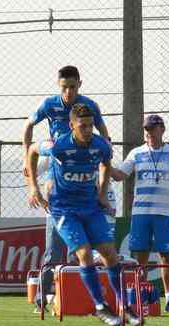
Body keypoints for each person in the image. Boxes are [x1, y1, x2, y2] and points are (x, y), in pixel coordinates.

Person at [26, 103, 139, 326]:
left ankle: (124, 306)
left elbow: (106, 164)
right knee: (85, 253)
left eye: (90, 125)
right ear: (72, 125)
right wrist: (33, 188)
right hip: (64, 209)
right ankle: (100, 306)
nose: (88, 130)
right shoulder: (58, 145)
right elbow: (31, 151)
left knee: (110, 254)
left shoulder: (100, 145)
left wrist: (103, 192)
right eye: (83, 126)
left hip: (90, 206)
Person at [21, 65, 109, 312]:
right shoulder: (49, 104)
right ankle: (41, 296)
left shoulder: (88, 107)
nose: (68, 92)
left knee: (79, 247)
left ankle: (76, 297)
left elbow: (104, 133)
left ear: (80, 84)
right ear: (58, 86)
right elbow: (28, 126)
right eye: (64, 87)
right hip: (56, 160)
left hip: (81, 168)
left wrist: (103, 158)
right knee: (55, 246)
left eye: (72, 87)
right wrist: (24, 157)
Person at [111, 114, 169, 313]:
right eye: (146, 129)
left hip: (165, 213)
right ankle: (139, 297)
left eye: (153, 128)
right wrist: (104, 163)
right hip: (141, 213)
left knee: (166, 255)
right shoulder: (136, 153)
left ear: (162, 129)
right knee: (140, 256)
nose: (149, 133)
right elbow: (120, 175)